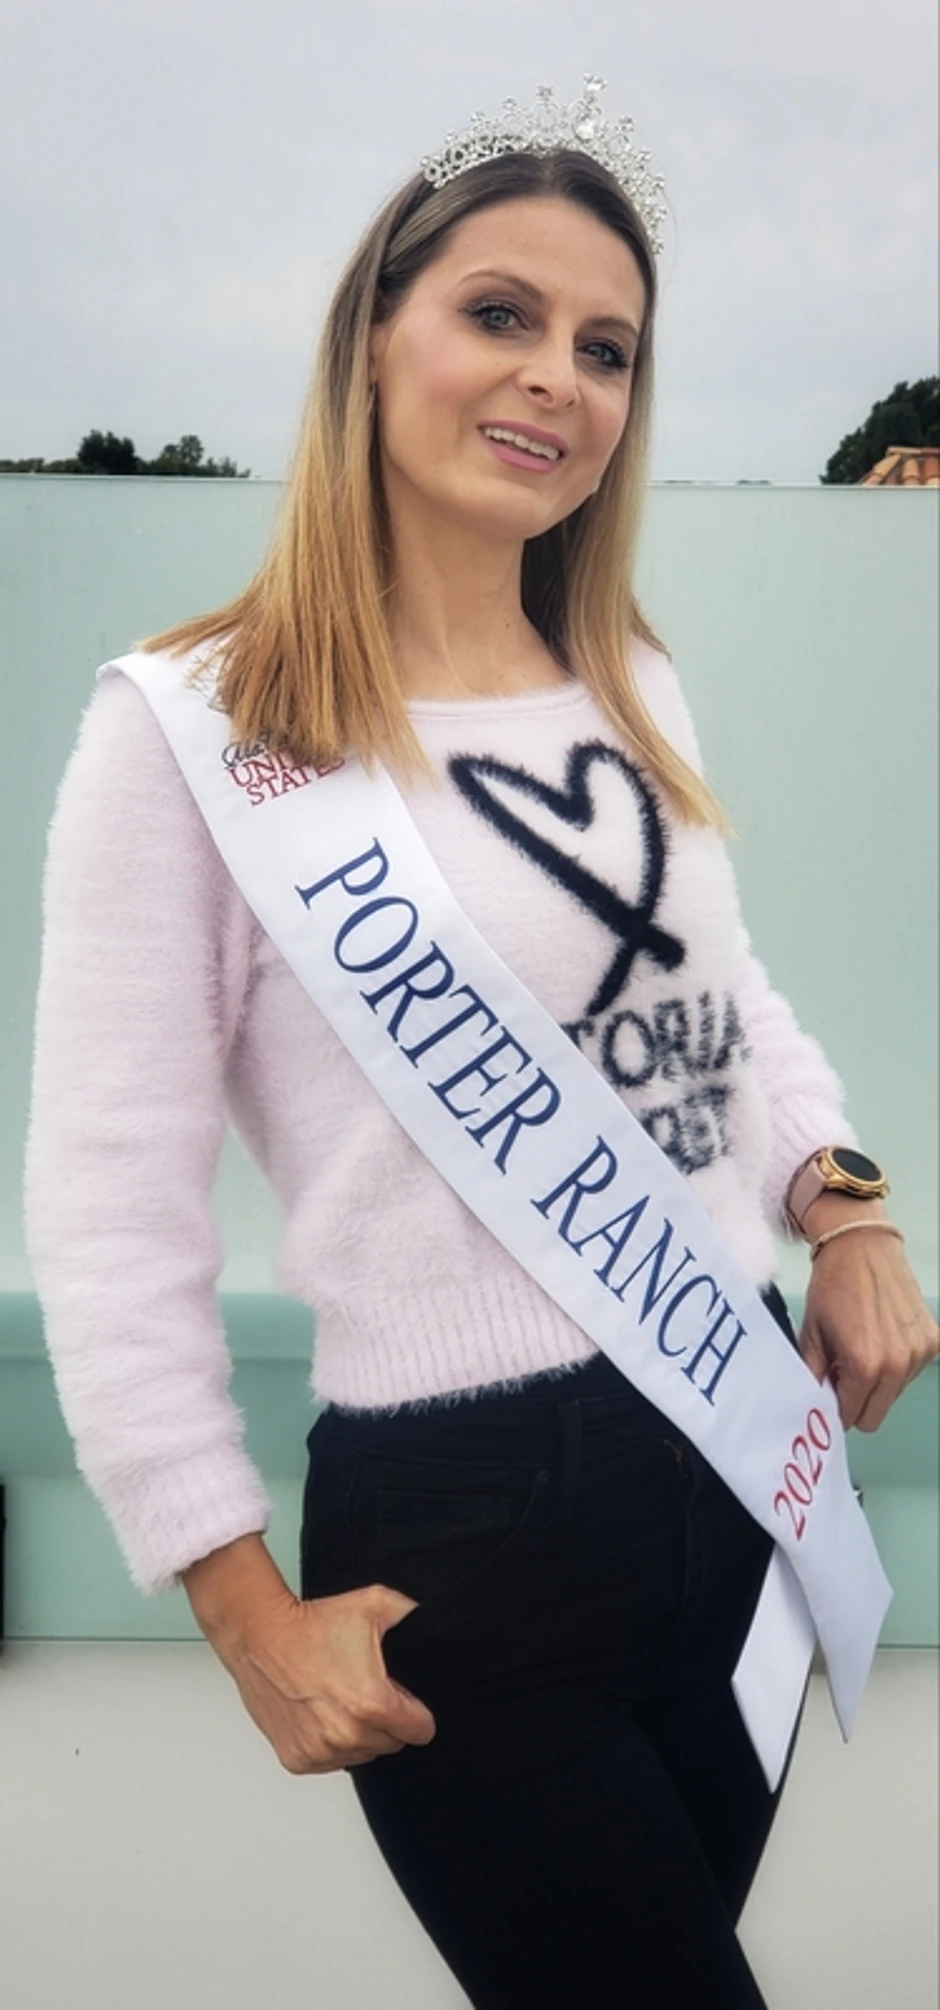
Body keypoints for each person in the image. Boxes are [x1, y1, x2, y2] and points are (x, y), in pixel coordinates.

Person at [24, 78, 938, 2010]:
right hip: (468, 1530)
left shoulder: (625, 679)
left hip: (738, 1460)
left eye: (607, 348)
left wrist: (845, 1203)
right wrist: (237, 1603)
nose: (557, 380)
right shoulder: (194, 729)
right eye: (500, 314)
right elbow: (109, 1210)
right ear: (375, 337)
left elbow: (722, 1010)